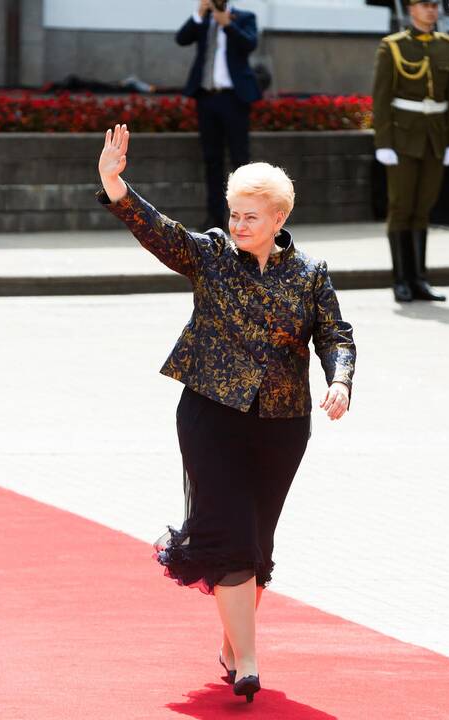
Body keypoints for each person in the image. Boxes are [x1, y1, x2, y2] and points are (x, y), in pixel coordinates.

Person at [96, 124, 355, 703]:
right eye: (234, 213)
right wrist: (117, 186)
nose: (239, 225)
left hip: (283, 424)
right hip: (210, 414)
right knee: (232, 531)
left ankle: (231, 644)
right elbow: (158, 232)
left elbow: (336, 335)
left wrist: (339, 380)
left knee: (257, 541)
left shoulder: (311, 274)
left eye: (251, 217)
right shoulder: (211, 253)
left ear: (279, 220)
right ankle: (250, 661)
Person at [371, 0, 449, 303]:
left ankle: (420, 278)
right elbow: (381, 98)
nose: (431, 10)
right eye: (424, 5)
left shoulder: (448, 46)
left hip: (434, 138)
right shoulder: (392, 46)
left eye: (435, 5)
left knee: (423, 208)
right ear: (411, 9)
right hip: (403, 139)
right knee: (401, 208)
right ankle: (401, 280)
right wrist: (383, 142)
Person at [176, 0, 263, 230]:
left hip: (234, 98)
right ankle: (214, 218)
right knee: (211, 159)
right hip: (206, 97)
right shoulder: (203, 19)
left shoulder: (245, 17)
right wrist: (199, 14)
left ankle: (246, 218)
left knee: (240, 161)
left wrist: (228, 25)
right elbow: (182, 39)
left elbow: (250, 44)